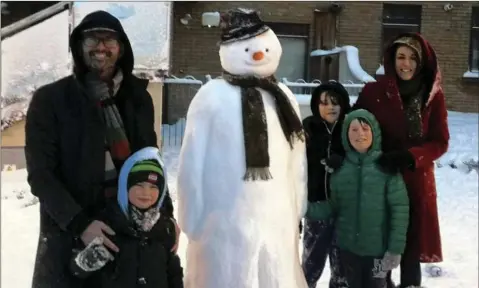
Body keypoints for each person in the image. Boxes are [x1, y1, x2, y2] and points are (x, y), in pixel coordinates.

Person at [25, 10, 177, 288]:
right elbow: (41, 175)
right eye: (91, 40)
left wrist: (165, 215)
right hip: (71, 230)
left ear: (121, 48)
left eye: (109, 40)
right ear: (78, 48)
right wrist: (80, 223)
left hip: (126, 226)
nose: (101, 47)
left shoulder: (137, 97)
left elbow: (149, 161)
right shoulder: (51, 101)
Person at [176, 8, 308, 288]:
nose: (257, 55)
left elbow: (297, 157)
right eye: (248, 48)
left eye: (262, 47)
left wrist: (298, 203)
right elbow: (192, 160)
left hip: (276, 213)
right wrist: (190, 214)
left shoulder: (282, 97)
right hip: (222, 214)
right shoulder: (210, 97)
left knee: (275, 272)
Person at [353, 32, 450, 288]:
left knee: (409, 249)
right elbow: (354, 124)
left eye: (412, 58)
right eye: (400, 57)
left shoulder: (433, 95)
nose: (405, 64)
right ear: (391, 59)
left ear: (421, 62)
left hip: (416, 182)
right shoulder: (374, 91)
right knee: (379, 245)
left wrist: (411, 156)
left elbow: (440, 142)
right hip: (380, 178)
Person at [306, 109, 410, 288]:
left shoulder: (387, 169)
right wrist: (305, 208)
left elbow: (399, 211)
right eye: (353, 130)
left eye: (365, 129)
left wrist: (395, 250)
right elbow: (334, 206)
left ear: (374, 132)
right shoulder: (340, 170)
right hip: (348, 251)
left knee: (378, 285)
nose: (360, 134)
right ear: (346, 135)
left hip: (379, 253)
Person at [70, 147, 184, 288]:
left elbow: (174, 273)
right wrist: (87, 261)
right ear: (125, 185)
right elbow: (76, 271)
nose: (146, 193)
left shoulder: (165, 229)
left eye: (153, 187)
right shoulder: (107, 224)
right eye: (139, 184)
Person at [301, 81, 351, 288]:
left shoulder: (350, 129)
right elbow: (296, 168)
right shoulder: (307, 130)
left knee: (342, 269)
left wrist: (342, 160)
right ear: (316, 106)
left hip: (344, 210)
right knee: (311, 265)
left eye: (335, 102)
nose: (330, 107)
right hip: (317, 208)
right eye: (324, 103)